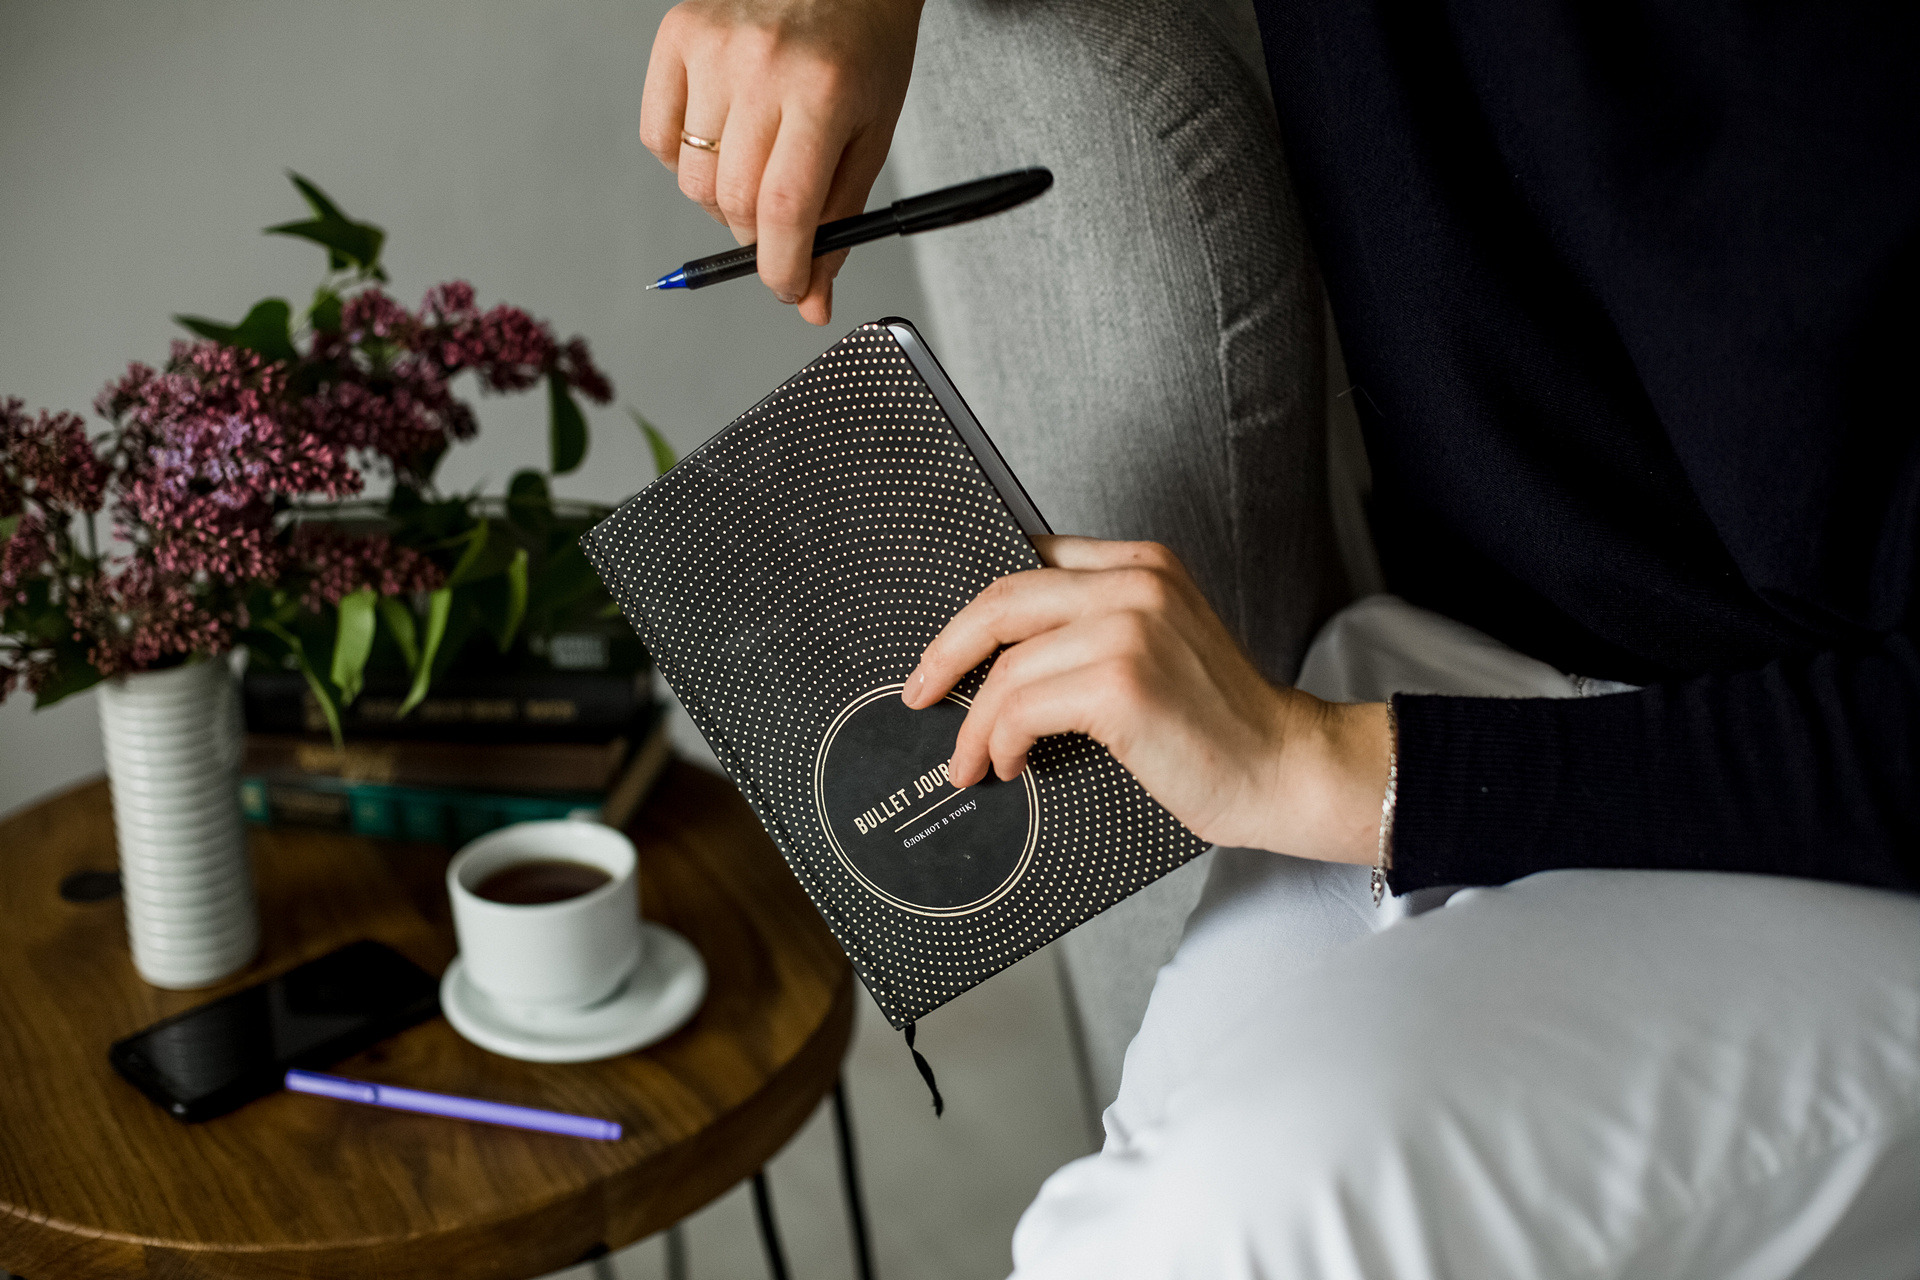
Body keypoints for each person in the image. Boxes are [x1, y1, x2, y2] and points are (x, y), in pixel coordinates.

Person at [640, 1, 1920, 1275]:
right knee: (1101, 1246)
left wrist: (1323, 765)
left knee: (1192, 1245)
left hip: (1825, 814)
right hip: (1479, 666)